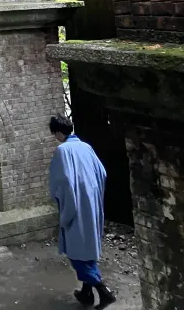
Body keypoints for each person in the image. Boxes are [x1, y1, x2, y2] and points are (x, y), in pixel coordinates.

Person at [48, 114, 116, 309]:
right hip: (91, 204)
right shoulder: (86, 146)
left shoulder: (62, 151)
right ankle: (87, 293)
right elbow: (102, 172)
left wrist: (62, 201)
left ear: (58, 132)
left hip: (75, 204)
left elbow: (60, 182)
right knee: (88, 249)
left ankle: (103, 291)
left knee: (77, 253)